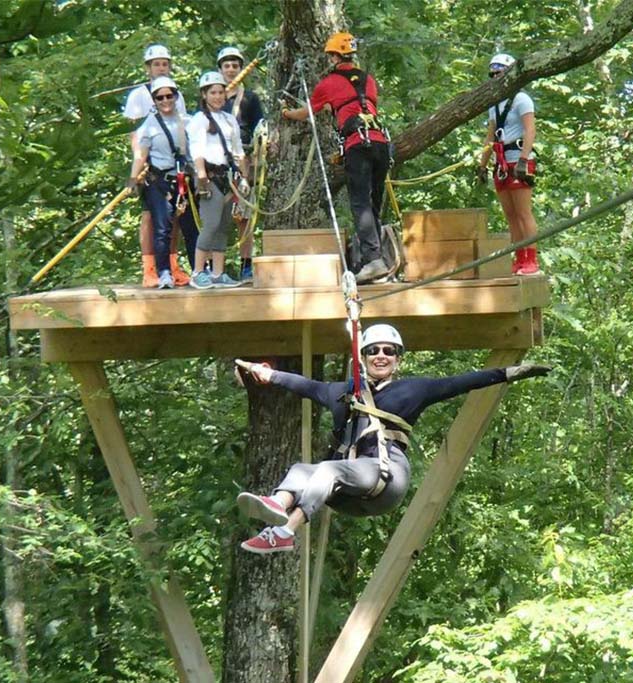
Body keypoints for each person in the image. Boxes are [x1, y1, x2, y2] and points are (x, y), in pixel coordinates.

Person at [233, 323, 552, 554]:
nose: (381, 356)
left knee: (327, 469)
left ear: (398, 359)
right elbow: (302, 384)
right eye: (373, 351)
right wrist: (263, 373)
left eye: (388, 351)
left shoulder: (413, 390)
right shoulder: (342, 392)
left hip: (387, 476)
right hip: (349, 490)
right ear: (364, 357)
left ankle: (285, 531)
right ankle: (277, 504)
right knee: (302, 469)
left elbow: (462, 382)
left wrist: (510, 372)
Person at [282, 32, 392, 284]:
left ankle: (374, 261)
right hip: (379, 142)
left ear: (334, 56)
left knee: (360, 203)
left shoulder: (328, 83)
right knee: (374, 203)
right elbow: (359, 104)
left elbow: (307, 112)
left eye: (329, 55)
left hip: (357, 144)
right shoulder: (369, 80)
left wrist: (287, 113)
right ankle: (376, 259)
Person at [124, 44, 194, 286]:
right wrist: (139, 168)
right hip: (149, 164)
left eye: (165, 63)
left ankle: (172, 265)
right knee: (149, 217)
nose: (161, 68)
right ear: (148, 68)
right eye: (156, 64)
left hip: (175, 167)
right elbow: (134, 133)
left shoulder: (177, 94)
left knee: (174, 216)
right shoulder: (139, 96)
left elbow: (183, 127)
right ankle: (149, 267)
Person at [476, 53, 540, 275]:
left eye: (499, 72)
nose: (495, 77)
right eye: (492, 73)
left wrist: (524, 159)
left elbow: (530, 129)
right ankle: (518, 257)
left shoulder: (522, 99)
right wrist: (482, 165)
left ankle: (531, 259)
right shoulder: (494, 104)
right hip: (501, 164)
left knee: (523, 213)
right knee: (510, 215)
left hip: (518, 159)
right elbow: (490, 136)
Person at [188, 71, 248, 289]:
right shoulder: (199, 120)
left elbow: (237, 150)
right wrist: (201, 174)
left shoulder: (229, 119)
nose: (217, 97)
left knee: (223, 225)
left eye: (221, 92)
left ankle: (218, 273)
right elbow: (197, 148)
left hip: (227, 176)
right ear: (204, 95)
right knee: (211, 224)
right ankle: (197, 271)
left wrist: (244, 177)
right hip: (209, 176)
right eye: (213, 92)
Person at [218, 46, 266, 283]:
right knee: (217, 212)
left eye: (235, 66)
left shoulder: (250, 98)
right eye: (226, 66)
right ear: (220, 69)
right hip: (217, 159)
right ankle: (213, 266)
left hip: (244, 158)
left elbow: (260, 127)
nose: (231, 70)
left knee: (244, 215)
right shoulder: (212, 96)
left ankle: (246, 264)